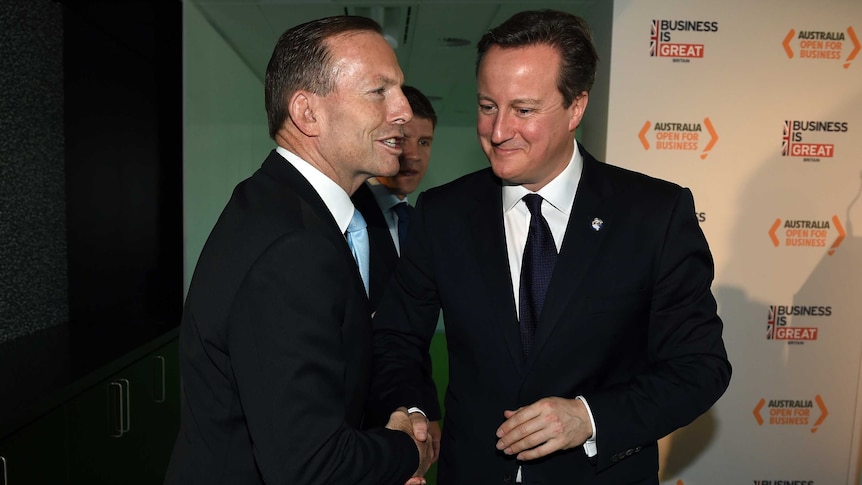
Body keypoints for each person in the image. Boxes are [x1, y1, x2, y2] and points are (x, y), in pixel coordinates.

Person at [371, 9, 731, 484]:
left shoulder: (653, 215)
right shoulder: (444, 214)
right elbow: (397, 337)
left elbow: (699, 367)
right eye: (486, 106)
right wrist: (413, 409)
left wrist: (589, 417)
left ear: (576, 108)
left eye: (523, 110)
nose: (498, 132)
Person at [164, 15, 433, 485]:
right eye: (379, 91)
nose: (404, 112)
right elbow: (310, 466)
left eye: (401, 91)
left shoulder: (279, 205)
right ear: (307, 113)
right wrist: (409, 450)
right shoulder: (295, 246)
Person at [351, 85, 437, 312]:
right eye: (401, 139)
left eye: (424, 142)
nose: (414, 155)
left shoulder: (421, 221)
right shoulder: (349, 214)